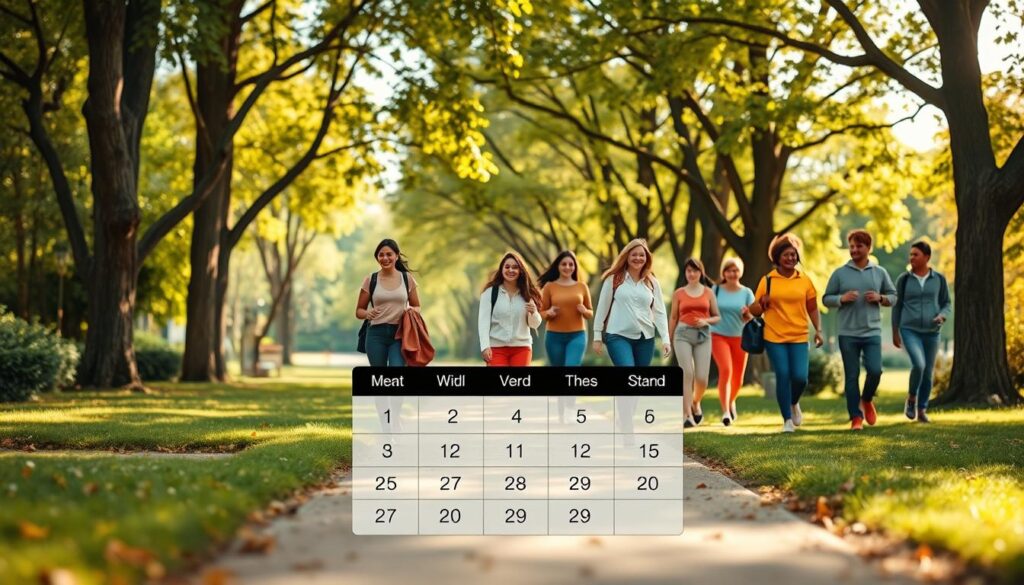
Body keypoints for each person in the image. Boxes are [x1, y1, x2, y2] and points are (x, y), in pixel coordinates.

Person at [592, 239, 671, 439]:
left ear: (647, 259)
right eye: (634, 254)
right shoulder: (614, 279)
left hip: (645, 338)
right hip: (617, 335)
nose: (638, 258)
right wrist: (597, 335)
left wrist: (666, 339)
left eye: (642, 255)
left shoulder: (652, 282)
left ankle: (624, 418)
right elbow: (602, 308)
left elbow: (660, 312)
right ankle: (628, 428)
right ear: (627, 256)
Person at [748, 233, 824, 433]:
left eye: (794, 255)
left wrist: (819, 330)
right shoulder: (768, 280)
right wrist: (761, 303)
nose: (791, 258)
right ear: (777, 258)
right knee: (783, 374)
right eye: (786, 255)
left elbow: (812, 308)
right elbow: (753, 310)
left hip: (799, 335)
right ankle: (787, 421)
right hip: (774, 336)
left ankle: (793, 402)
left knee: (800, 378)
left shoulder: (804, 280)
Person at [823, 229, 897, 431]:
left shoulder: (879, 272)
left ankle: (866, 400)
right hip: (847, 333)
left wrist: (881, 298)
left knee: (875, 370)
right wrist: (841, 299)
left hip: (872, 331)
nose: (854, 250)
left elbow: (893, 296)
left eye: (859, 246)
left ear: (868, 248)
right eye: (852, 246)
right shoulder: (840, 273)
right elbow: (826, 298)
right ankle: (855, 418)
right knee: (852, 376)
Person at [355, 239, 420, 430]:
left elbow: (417, 305)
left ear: (396, 256)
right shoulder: (371, 279)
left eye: (389, 254)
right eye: (381, 255)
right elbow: (358, 310)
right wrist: (367, 313)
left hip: (400, 335)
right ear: (377, 258)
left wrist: (411, 311)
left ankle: (395, 418)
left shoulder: (407, 279)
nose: (385, 258)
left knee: (397, 379)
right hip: (375, 335)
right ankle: (386, 424)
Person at [892, 240, 951, 423]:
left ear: (927, 257)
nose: (911, 258)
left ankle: (922, 410)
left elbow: (946, 303)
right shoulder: (904, 279)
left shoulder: (939, 279)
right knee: (919, 364)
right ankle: (911, 398)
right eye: (910, 254)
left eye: (915, 255)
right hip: (910, 329)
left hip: (932, 331)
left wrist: (942, 315)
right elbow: (897, 306)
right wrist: (895, 331)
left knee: (928, 372)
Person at [539, 250, 594, 423]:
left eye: (571, 264)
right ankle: (562, 413)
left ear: (575, 267)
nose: (567, 267)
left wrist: (585, 311)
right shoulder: (549, 287)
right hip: (554, 337)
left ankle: (570, 410)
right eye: (564, 264)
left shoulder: (582, 286)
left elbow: (590, 312)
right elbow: (541, 312)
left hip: (577, 336)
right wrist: (549, 312)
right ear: (558, 266)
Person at [669, 258, 721, 428]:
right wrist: (668, 340)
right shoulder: (679, 293)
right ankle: (687, 415)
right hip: (682, 334)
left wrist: (707, 321)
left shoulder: (708, 292)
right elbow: (674, 317)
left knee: (701, 379)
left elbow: (717, 317)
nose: (691, 274)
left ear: (701, 272)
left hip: (703, 336)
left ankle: (696, 402)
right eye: (688, 271)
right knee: (687, 374)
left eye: (695, 270)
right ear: (685, 273)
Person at [709, 257, 755, 426]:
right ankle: (725, 412)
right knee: (726, 370)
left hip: (741, 337)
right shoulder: (716, 290)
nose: (732, 273)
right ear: (724, 273)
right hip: (718, 336)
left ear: (740, 272)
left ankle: (731, 402)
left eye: (735, 270)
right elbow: (708, 311)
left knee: (738, 379)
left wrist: (747, 314)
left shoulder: (747, 293)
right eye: (728, 270)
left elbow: (753, 317)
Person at [478, 251, 543, 366]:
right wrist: (485, 346)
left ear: (520, 271)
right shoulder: (490, 293)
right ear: (501, 270)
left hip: (522, 348)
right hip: (496, 349)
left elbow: (534, 325)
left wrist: (534, 313)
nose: (511, 270)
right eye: (507, 267)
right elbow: (483, 323)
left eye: (515, 267)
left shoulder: (527, 294)